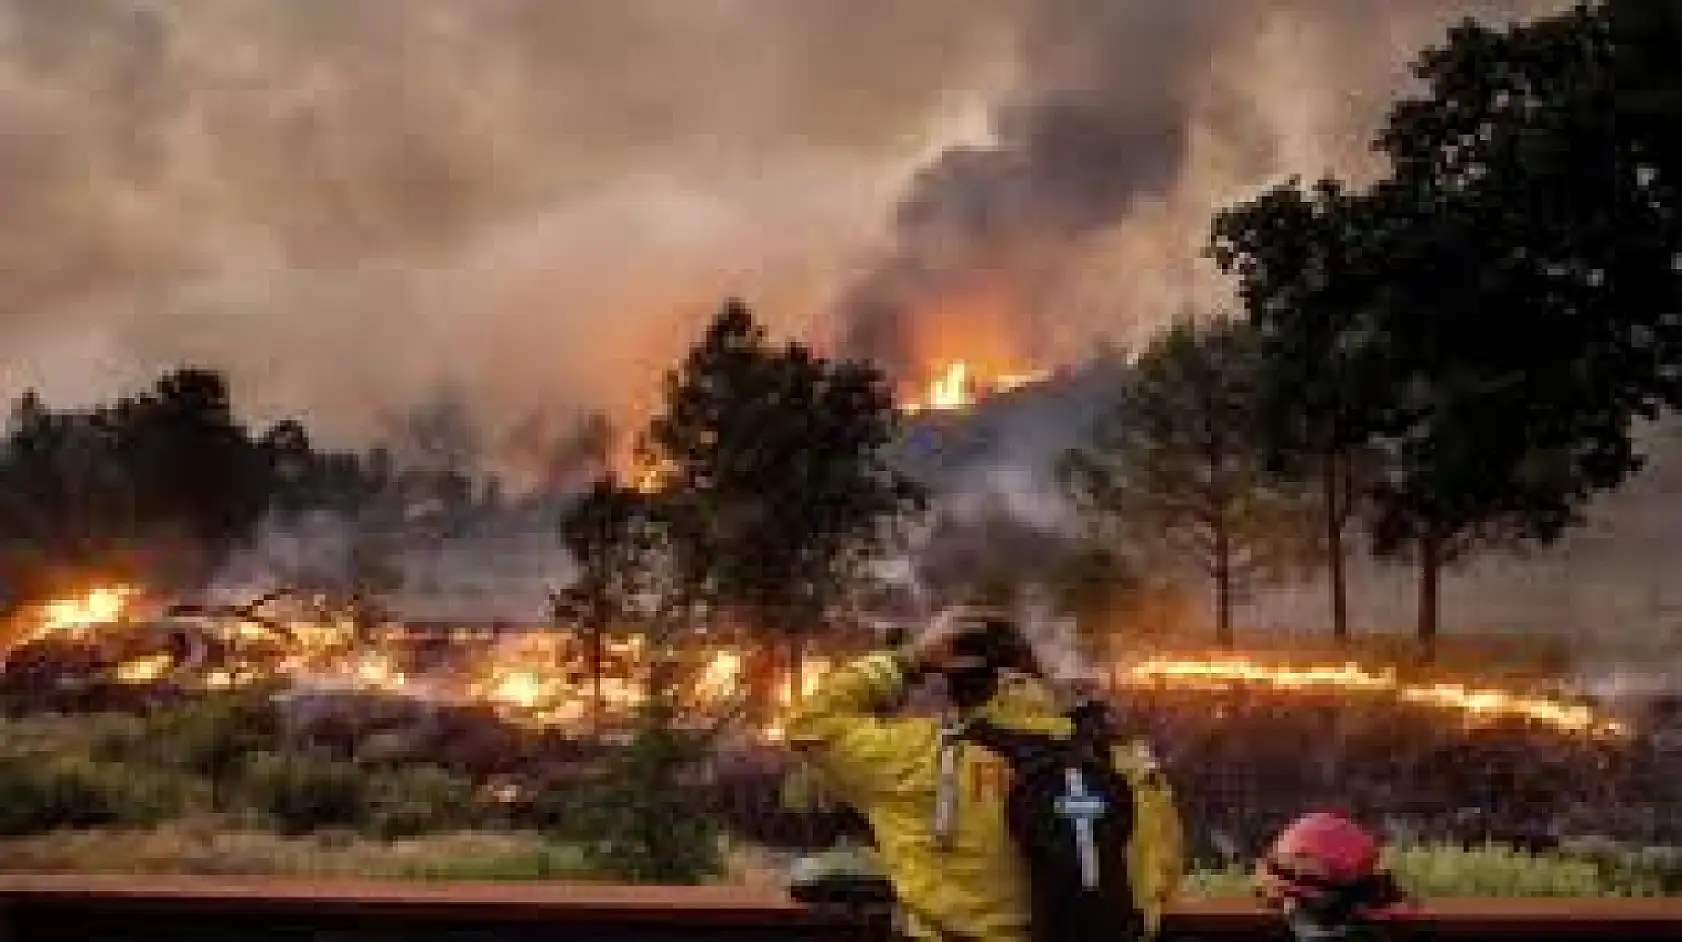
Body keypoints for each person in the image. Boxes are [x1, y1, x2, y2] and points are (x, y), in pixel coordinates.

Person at [784, 608, 1184, 941]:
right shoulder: (1125, 761)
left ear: (950, 682)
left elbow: (813, 725)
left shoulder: (919, 758)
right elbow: (1161, 879)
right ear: (1032, 670)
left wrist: (910, 660)